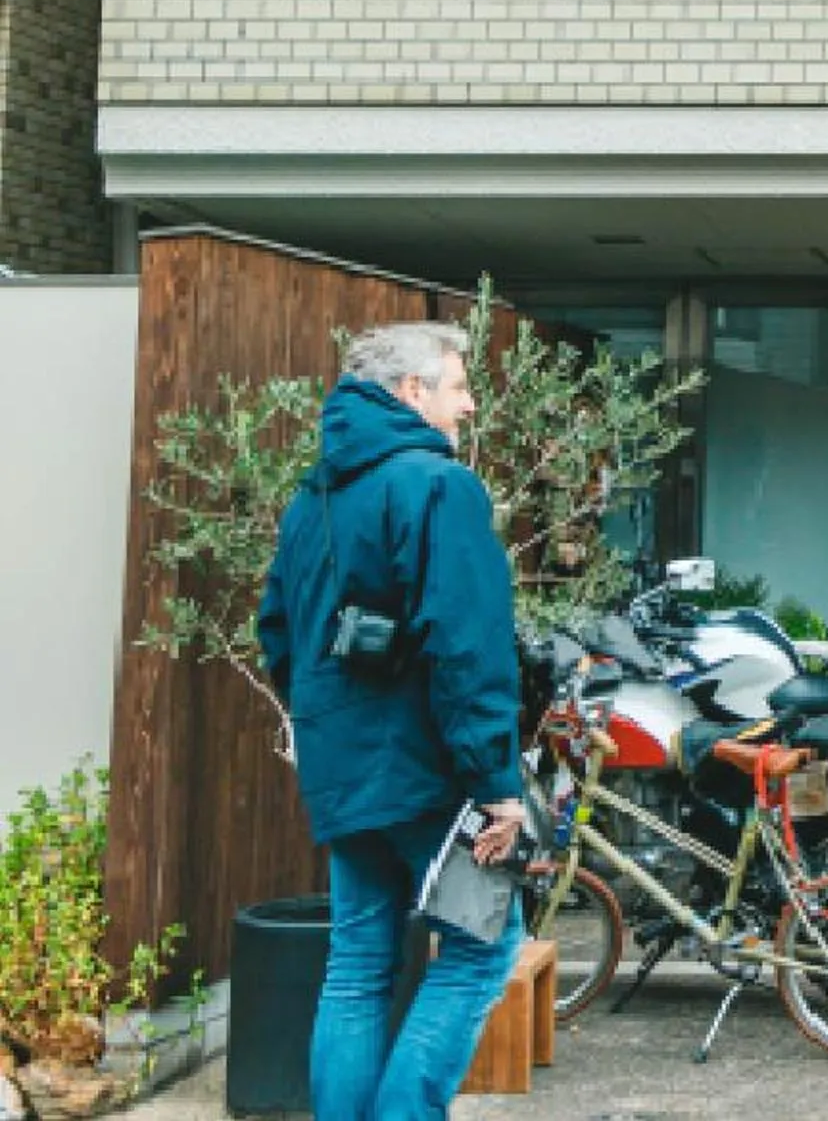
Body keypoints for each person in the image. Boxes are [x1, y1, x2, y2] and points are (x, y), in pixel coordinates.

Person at [255, 323, 527, 1121]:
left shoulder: (316, 497)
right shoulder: (440, 486)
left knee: (359, 961)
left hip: (343, 769)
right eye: (458, 386)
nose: (468, 405)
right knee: (483, 947)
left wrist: (334, 722)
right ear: (411, 393)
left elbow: (277, 629)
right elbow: (468, 646)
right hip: (426, 769)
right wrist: (497, 783)